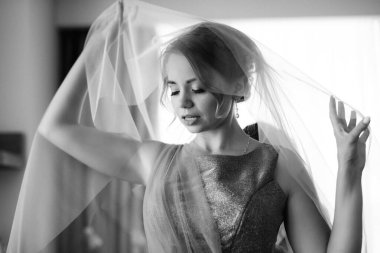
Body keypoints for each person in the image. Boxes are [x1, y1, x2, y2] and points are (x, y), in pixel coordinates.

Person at [7, 1, 376, 253]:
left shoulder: (278, 166)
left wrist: (350, 171)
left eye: (197, 88)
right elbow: (57, 128)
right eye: (173, 88)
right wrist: (99, 44)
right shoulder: (153, 161)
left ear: (240, 86)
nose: (182, 101)